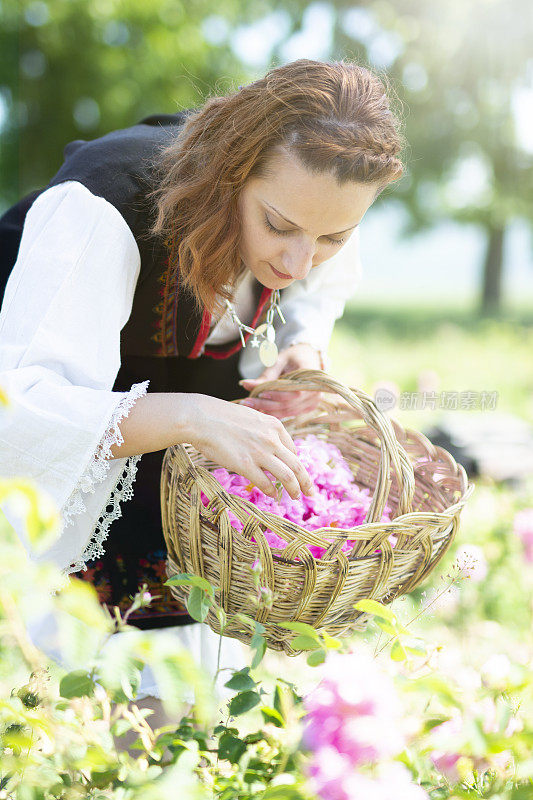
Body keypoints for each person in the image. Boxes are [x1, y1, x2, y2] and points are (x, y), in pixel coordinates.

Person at [0, 58, 404, 712]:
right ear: (230, 174)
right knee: (58, 712)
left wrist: (302, 346)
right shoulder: (105, 204)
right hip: (52, 478)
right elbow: (19, 414)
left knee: (174, 712)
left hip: (164, 485)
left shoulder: (311, 199)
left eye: (332, 236)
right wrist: (190, 415)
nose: (297, 261)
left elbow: (322, 278)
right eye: (277, 226)